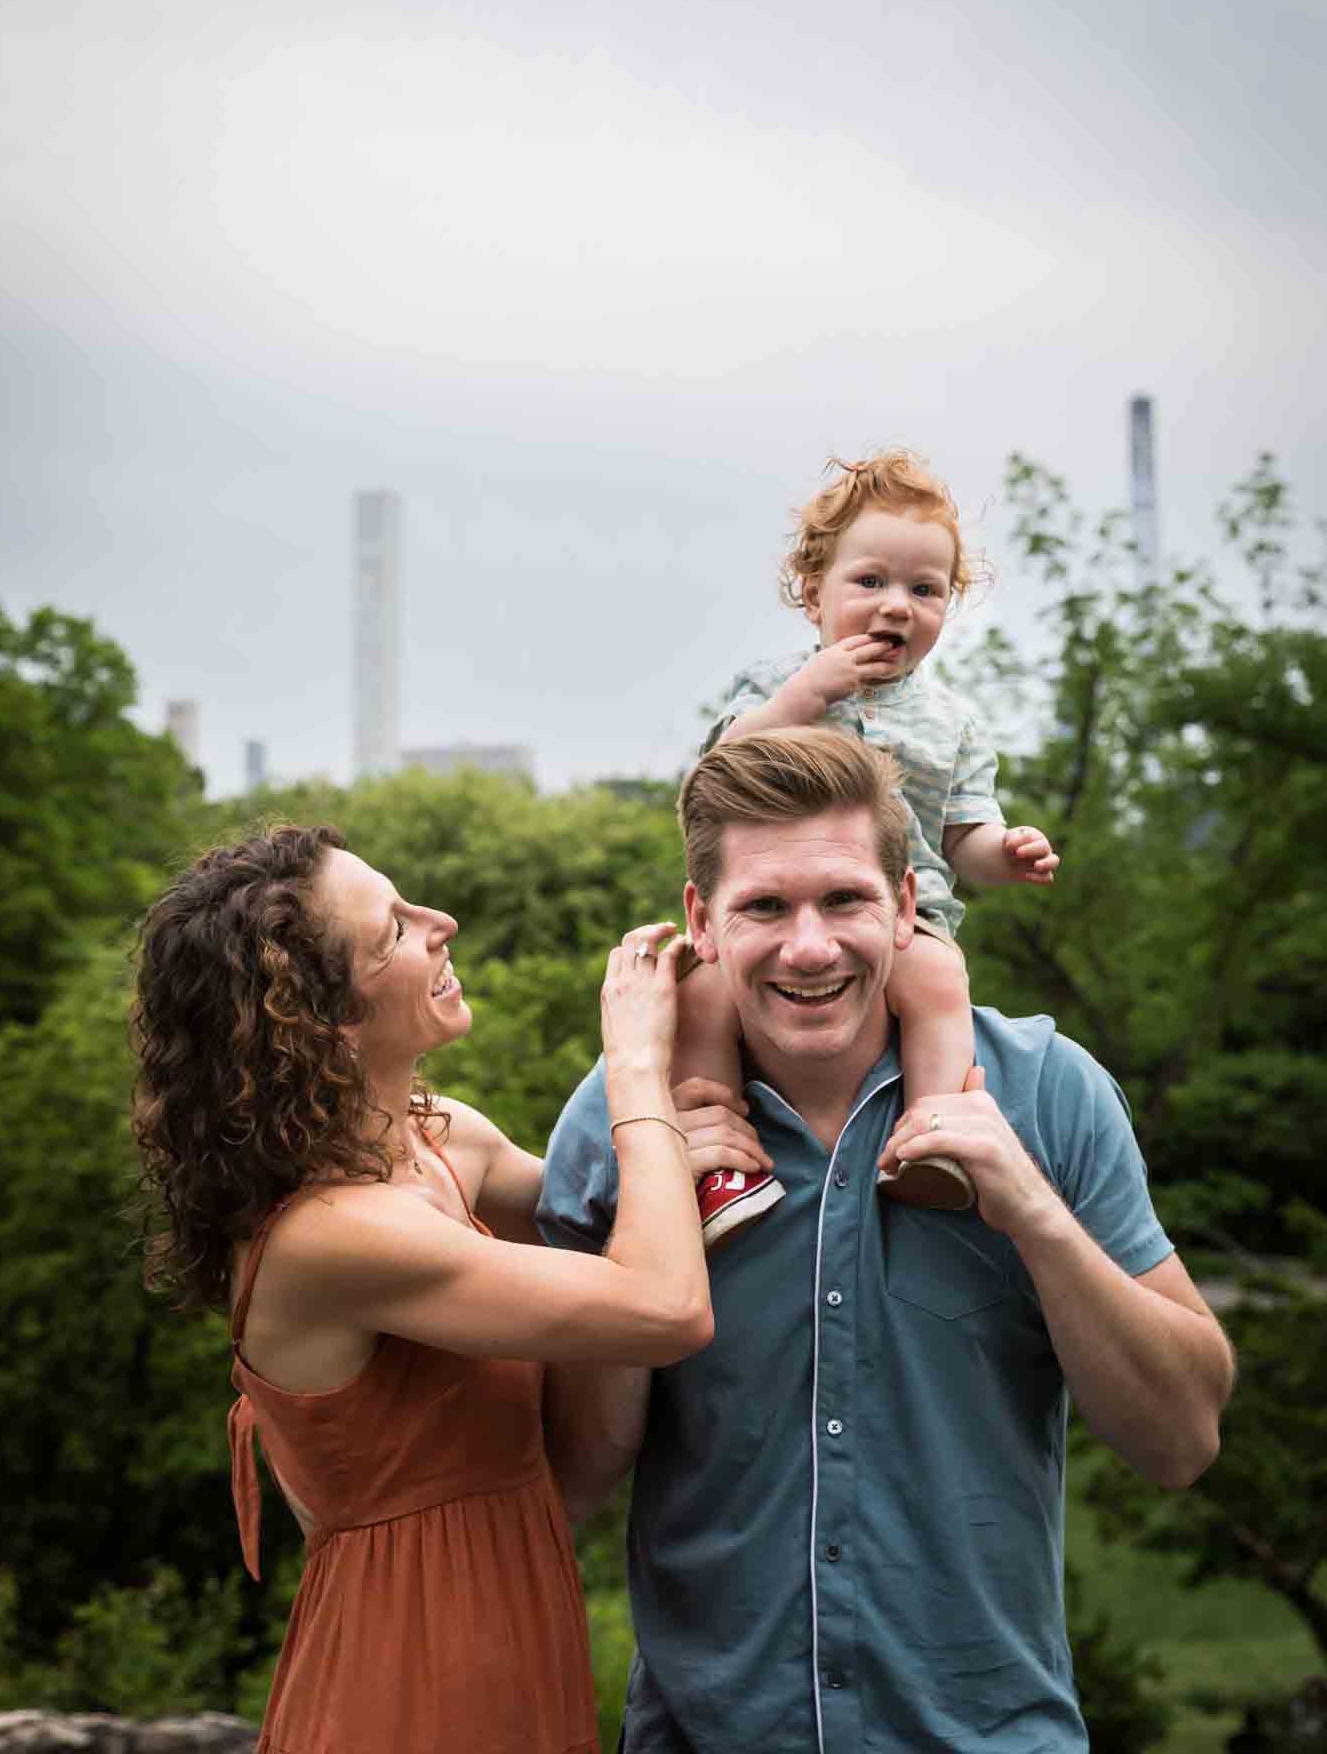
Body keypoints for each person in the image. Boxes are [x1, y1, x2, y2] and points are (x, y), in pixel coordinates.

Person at [538, 728, 1235, 1754]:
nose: (808, 946)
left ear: (907, 904)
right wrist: (652, 1220)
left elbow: (1181, 1442)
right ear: (703, 920)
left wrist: (1034, 1212)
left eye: (844, 900)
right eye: (765, 906)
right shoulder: (619, 1121)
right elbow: (571, 1481)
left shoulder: (1047, 1090)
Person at [132, 822, 717, 1754]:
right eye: (394, 931)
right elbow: (662, 1306)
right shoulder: (333, 1236)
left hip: (517, 1624)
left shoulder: (441, 1137)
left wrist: (681, 1139)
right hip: (408, 1670)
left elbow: (604, 1213)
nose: (440, 922)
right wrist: (638, 1073)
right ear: (323, 1021)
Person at [676, 447, 1060, 1236]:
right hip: (777, 901)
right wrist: (802, 696)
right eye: (870, 582)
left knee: (938, 980)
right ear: (814, 594)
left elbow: (963, 835)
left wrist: (1005, 852)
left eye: (923, 590)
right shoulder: (774, 687)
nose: (895, 606)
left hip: (902, 916)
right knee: (703, 995)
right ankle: (720, 1163)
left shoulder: (952, 721)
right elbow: (712, 780)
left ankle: (935, 1139)